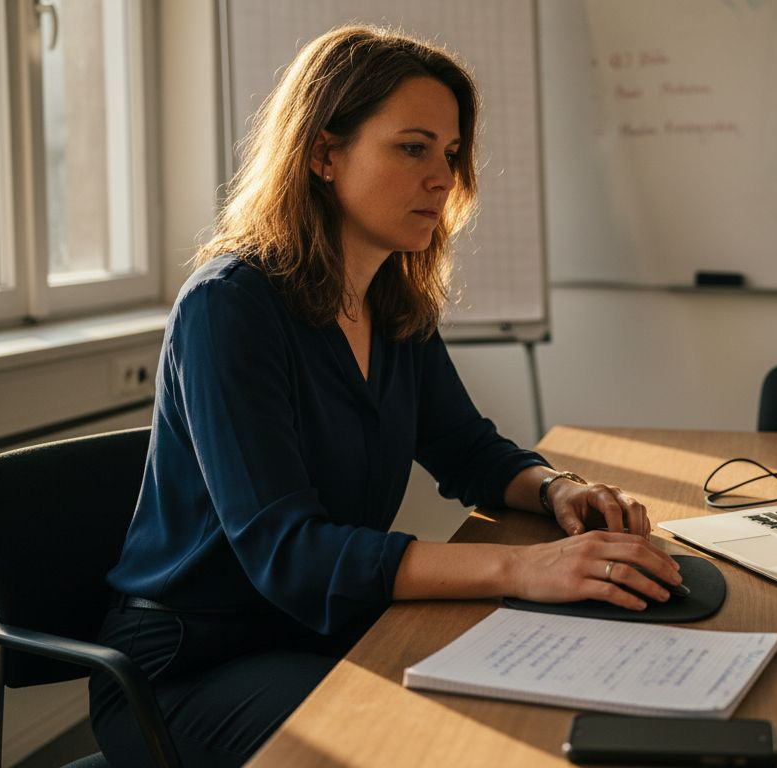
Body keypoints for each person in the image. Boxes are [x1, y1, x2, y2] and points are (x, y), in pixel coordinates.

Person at [88, 25, 680, 767]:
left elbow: (466, 450)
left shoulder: (393, 303)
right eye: (413, 147)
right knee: (430, 743)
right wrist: (523, 566)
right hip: (191, 667)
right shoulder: (228, 308)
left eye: (453, 153)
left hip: (318, 632)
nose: (445, 177)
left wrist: (557, 489)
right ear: (324, 154)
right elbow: (290, 554)